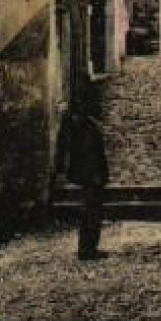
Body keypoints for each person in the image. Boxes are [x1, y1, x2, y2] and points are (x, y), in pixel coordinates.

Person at [54, 88, 110, 261]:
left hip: (93, 174)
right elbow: (88, 152)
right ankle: (87, 250)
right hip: (91, 175)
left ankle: (89, 248)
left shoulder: (85, 123)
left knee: (93, 212)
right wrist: (95, 175)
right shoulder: (82, 125)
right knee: (91, 212)